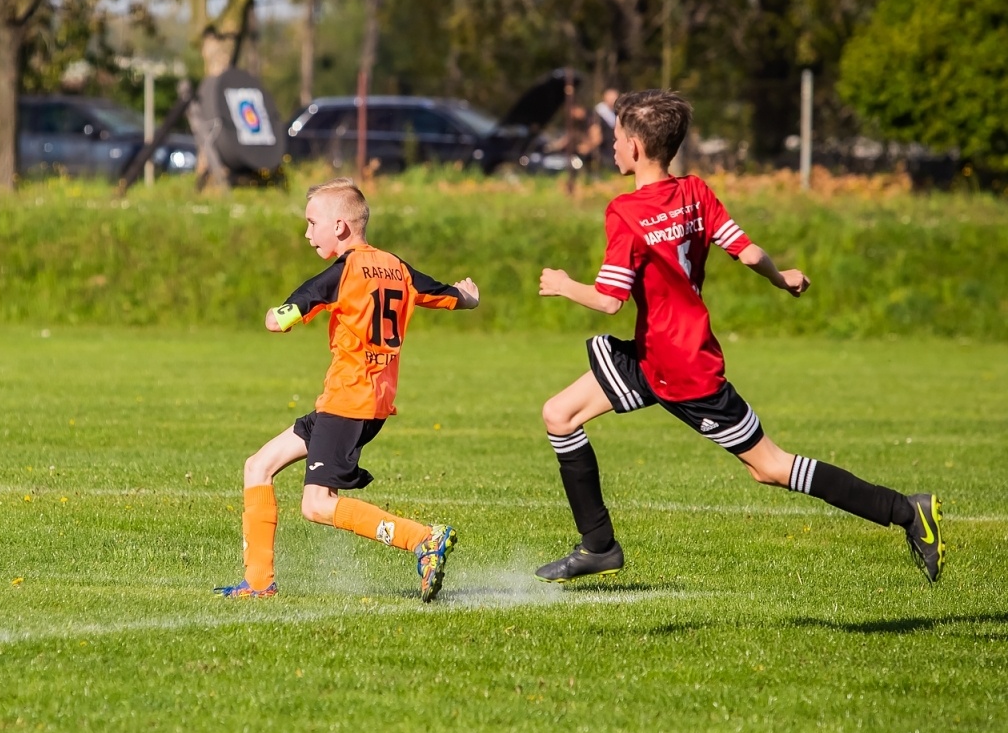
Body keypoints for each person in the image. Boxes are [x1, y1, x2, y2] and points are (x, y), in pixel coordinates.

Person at [532, 89, 943, 583]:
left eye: (618, 138)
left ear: (636, 147)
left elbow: (609, 299)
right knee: (560, 414)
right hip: (652, 357)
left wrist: (562, 285)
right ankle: (598, 545)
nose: (613, 146)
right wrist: (783, 276)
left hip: (684, 373)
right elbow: (746, 252)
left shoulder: (624, 211)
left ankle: (907, 511)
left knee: (770, 466)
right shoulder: (696, 192)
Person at [217, 177, 482, 602]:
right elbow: (445, 294)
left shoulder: (342, 273)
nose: (307, 234)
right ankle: (259, 583)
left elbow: (281, 317)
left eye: (311, 223)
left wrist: (275, 315)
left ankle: (423, 539)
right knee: (258, 466)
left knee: (316, 504)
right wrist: (469, 297)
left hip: (349, 400)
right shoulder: (397, 266)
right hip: (367, 401)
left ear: (340, 226)